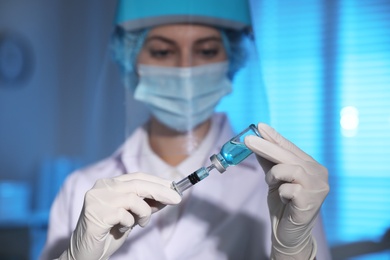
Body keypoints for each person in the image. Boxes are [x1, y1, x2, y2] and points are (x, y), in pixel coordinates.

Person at [41, 0, 331, 259]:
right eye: (162, 51)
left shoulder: (283, 186)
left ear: (232, 58)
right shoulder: (83, 188)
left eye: (206, 50)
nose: (185, 69)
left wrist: (292, 252)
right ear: (132, 59)